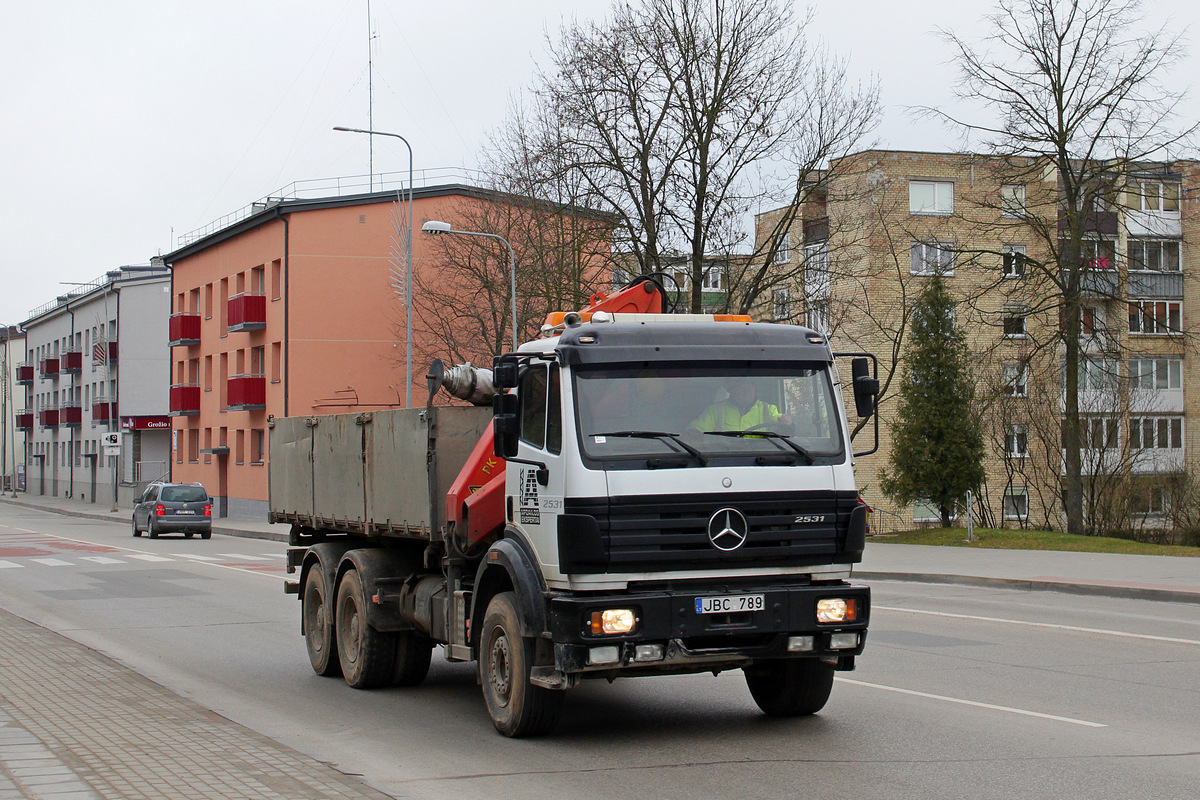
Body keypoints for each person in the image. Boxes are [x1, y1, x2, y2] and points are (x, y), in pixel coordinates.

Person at [688, 378, 792, 433]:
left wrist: (786, 422)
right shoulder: (715, 410)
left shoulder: (769, 409)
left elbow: (780, 422)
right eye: (741, 389)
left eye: (749, 389)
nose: (746, 393)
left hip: (760, 457)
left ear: (755, 390)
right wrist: (694, 434)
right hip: (723, 458)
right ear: (732, 391)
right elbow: (696, 429)